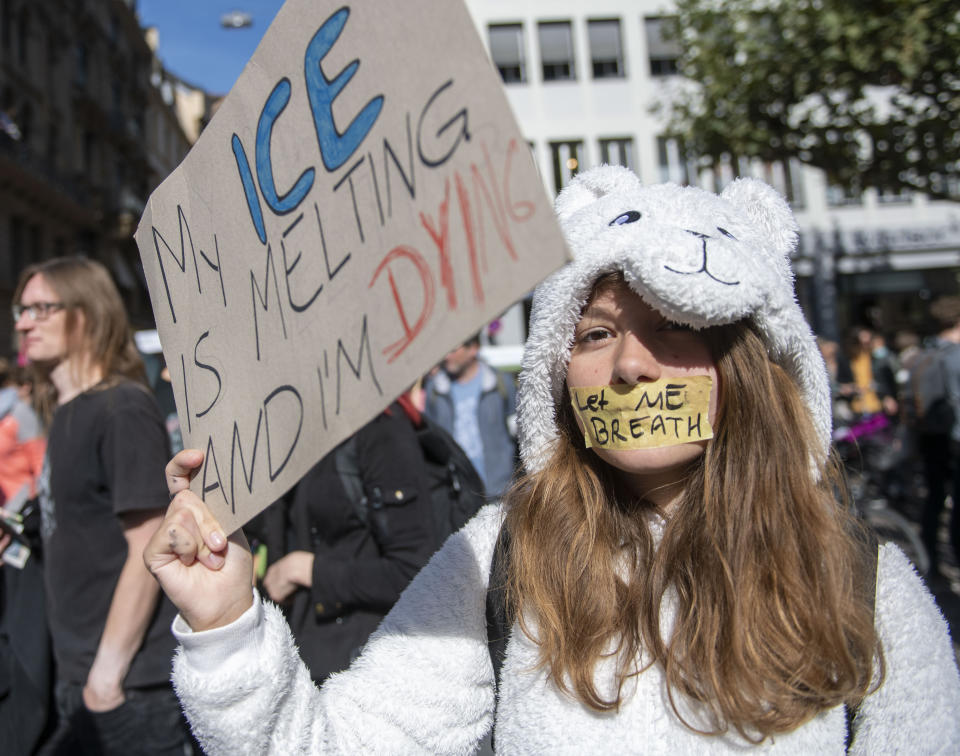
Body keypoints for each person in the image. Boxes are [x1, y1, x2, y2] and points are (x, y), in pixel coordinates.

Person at [145, 167, 960, 753]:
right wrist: (225, 627)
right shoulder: (499, 555)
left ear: (743, 357)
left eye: (674, 326)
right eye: (597, 333)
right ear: (555, 375)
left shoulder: (866, 588)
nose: (632, 365)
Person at [9, 257, 190, 755]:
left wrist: (105, 680)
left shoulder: (122, 408)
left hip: (128, 687)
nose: (24, 322)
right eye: (21, 310)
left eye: (41, 309)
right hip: (80, 677)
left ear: (85, 315)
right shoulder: (68, 412)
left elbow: (149, 547)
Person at [247, 393, 441, 683]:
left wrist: (309, 570)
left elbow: (416, 569)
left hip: (369, 671)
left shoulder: (380, 425)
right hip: (301, 658)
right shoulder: (286, 431)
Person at [424, 333, 517, 497]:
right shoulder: (435, 389)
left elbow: (517, 432)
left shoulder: (499, 383)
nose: (446, 356)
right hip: (458, 493)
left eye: (453, 349)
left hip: (499, 491)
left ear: (473, 349)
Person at [913, 296, 960, 580]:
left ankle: (930, 559)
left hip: (929, 436)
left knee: (934, 498)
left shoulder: (924, 352)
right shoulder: (954, 356)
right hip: (952, 438)